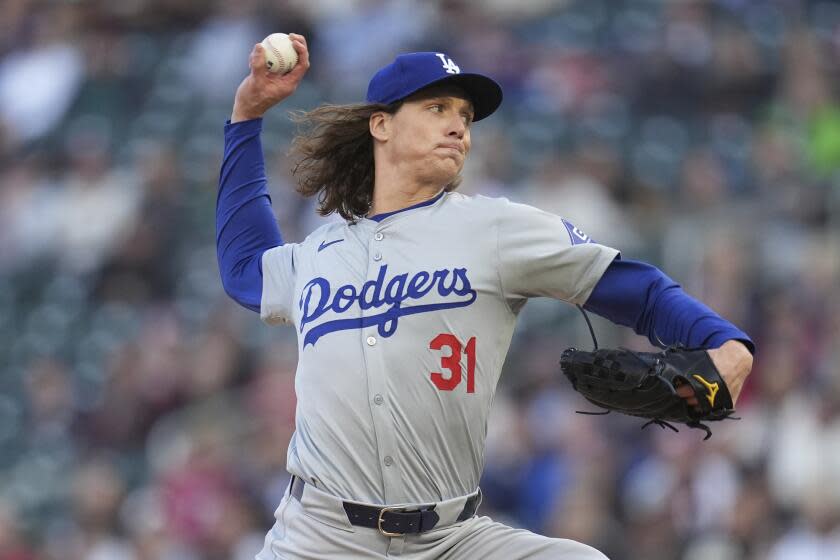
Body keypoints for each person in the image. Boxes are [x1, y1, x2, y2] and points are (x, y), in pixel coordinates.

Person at [217, 34, 754, 560]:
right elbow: (244, 267)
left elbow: (630, 286)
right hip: (319, 538)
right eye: (437, 107)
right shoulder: (318, 253)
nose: (458, 125)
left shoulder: (494, 228)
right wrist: (246, 116)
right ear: (380, 124)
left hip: (451, 539)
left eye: (466, 117)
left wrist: (722, 341)